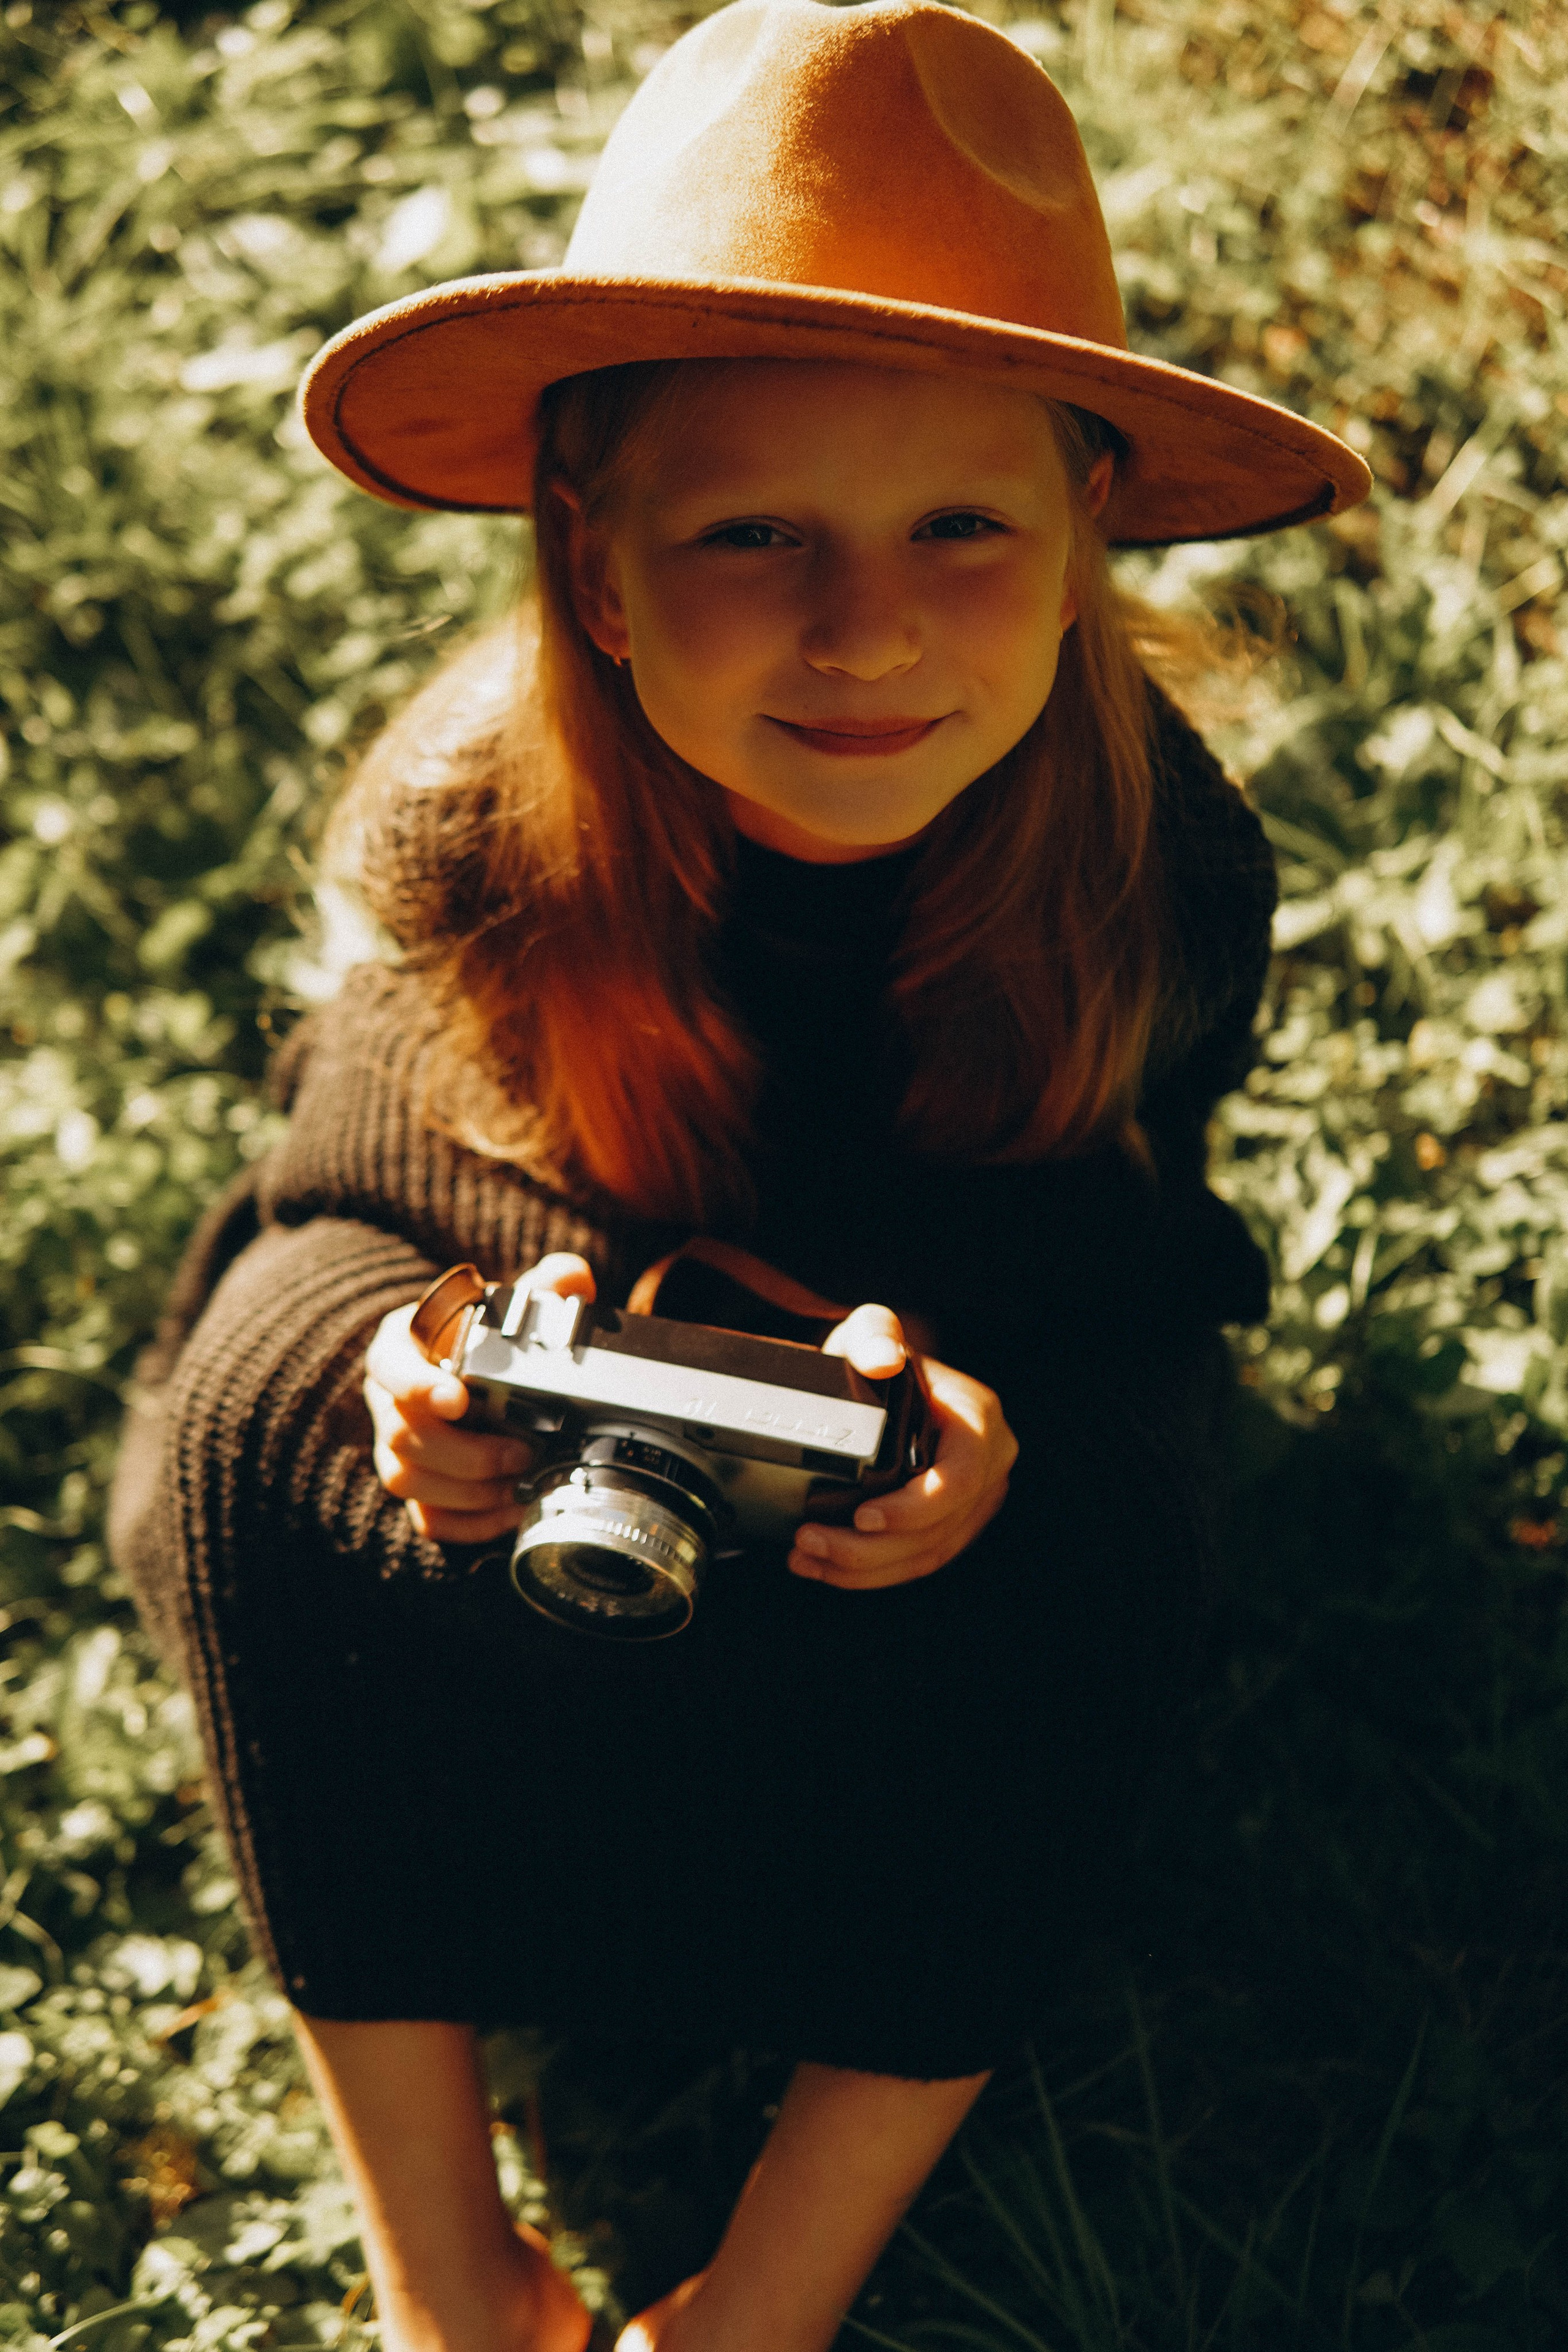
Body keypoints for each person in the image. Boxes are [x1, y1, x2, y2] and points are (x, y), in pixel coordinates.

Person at [110, 3, 1371, 2347]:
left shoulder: (1161, 864)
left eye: (961, 527)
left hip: (905, 1430)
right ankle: (446, 2263)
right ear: (595, 569)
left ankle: (766, 2292)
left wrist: (983, 1434)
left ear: (1089, 536)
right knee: (259, 1412)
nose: (866, 630)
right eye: (756, 533)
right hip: (557, 1374)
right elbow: (358, 1187)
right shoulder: (481, 815)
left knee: (1110, 1536)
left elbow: (1123, 1259)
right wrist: (432, 1377)